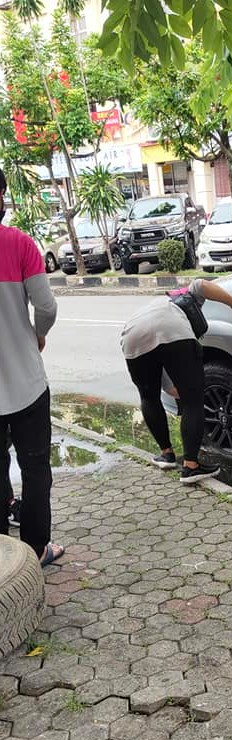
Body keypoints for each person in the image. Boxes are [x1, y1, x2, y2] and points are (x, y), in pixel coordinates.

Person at [121, 278, 232, 483]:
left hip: (131, 336)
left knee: (149, 397)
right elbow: (201, 284)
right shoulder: (183, 298)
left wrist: (180, 387)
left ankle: (166, 455)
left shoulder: (161, 302)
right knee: (194, 400)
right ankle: (191, 466)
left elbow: (171, 389)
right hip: (172, 330)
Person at [0, 168, 64, 567]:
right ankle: (37, 549)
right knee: (36, 468)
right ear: (3, 196)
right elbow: (46, 306)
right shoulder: (20, 244)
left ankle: (4, 558)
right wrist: (37, 335)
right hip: (26, 385)